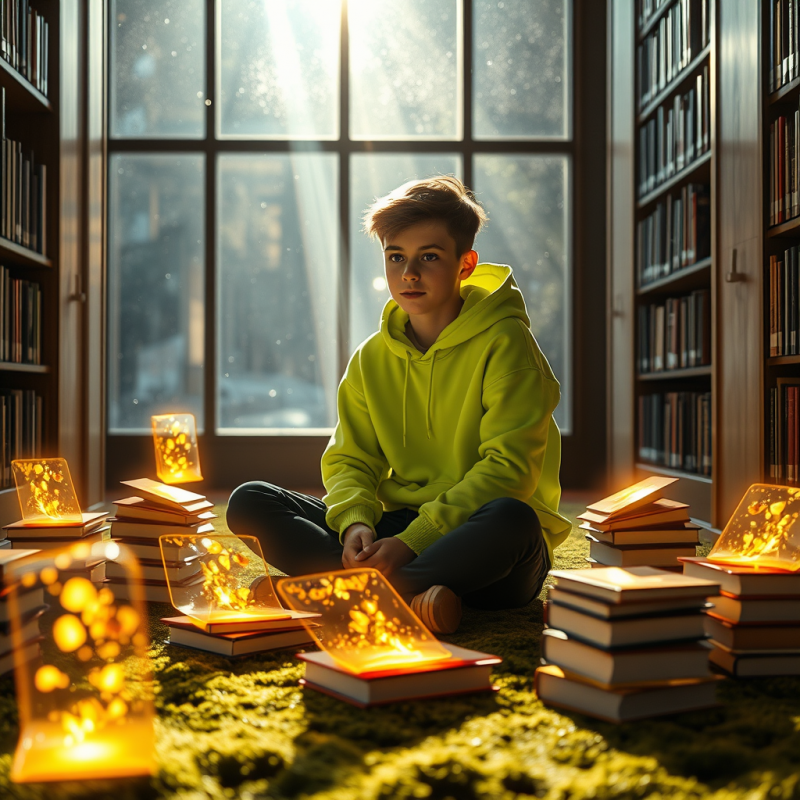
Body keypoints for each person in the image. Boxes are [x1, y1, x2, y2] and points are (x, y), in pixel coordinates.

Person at [227, 175, 571, 633]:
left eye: (429, 256)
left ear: (465, 264)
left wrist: (414, 541)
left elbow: (508, 472)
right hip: (399, 532)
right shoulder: (372, 358)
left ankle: (335, 595)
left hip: (486, 551)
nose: (409, 273)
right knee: (250, 500)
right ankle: (407, 598)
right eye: (396, 257)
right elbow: (352, 459)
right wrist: (355, 525)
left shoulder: (508, 344)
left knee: (513, 517)